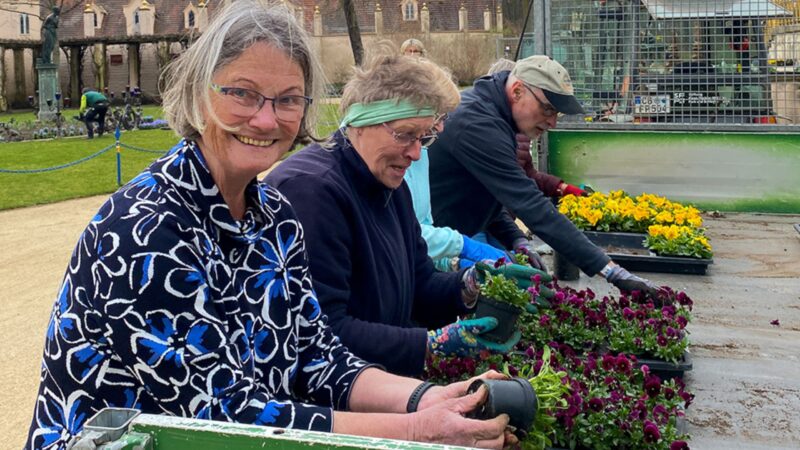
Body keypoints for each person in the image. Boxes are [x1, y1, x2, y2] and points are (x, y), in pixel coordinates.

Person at [24, 4, 514, 449]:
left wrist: (425, 398)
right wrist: (416, 429)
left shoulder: (274, 217)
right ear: (199, 94)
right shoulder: (145, 228)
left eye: (288, 99)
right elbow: (225, 413)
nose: (266, 119)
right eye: (243, 93)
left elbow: (318, 356)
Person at [265, 49, 544, 378]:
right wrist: (429, 345)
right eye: (405, 135)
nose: (415, 153)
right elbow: (324, 331)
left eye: (424, 137)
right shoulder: (312, 191)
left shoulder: (390, 186)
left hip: (378, 381)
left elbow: (420, 283)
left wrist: (470, 286)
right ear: (362, 121)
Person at [427, 55, 661, 296]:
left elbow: (483, 196)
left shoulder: (494, 115)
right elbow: (531, 204)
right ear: (517, 91)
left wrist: (517, 239)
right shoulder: (477, 123)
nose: (552, 122)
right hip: (425, 245)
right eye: (547, 108)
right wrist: (612, 272)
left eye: (556, 113)